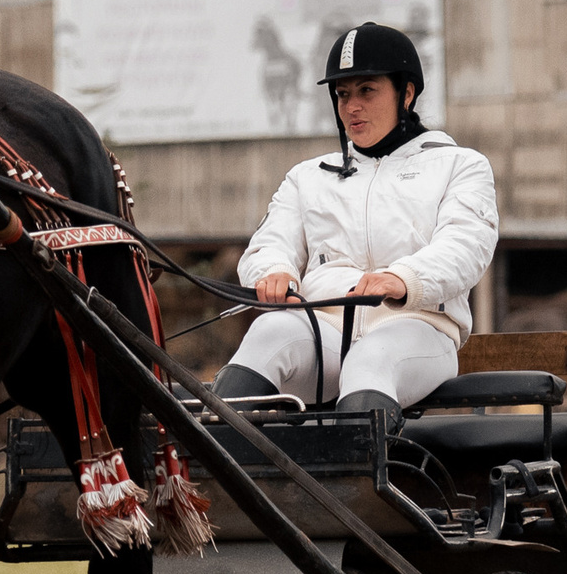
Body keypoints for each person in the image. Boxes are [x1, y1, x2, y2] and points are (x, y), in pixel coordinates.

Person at [212, 22, 498, 424]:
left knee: (370, 358)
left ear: (407, 93)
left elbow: (466, 246)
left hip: (417, 330)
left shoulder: (461, 165)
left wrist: (403, 278)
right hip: (324, 330)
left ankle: (357, 487)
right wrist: (273, 272)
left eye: (367, 90)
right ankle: (214, 476)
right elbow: (269, 244)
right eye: (343, 94)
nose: (351, 107)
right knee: (269, 334)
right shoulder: (306, 176)